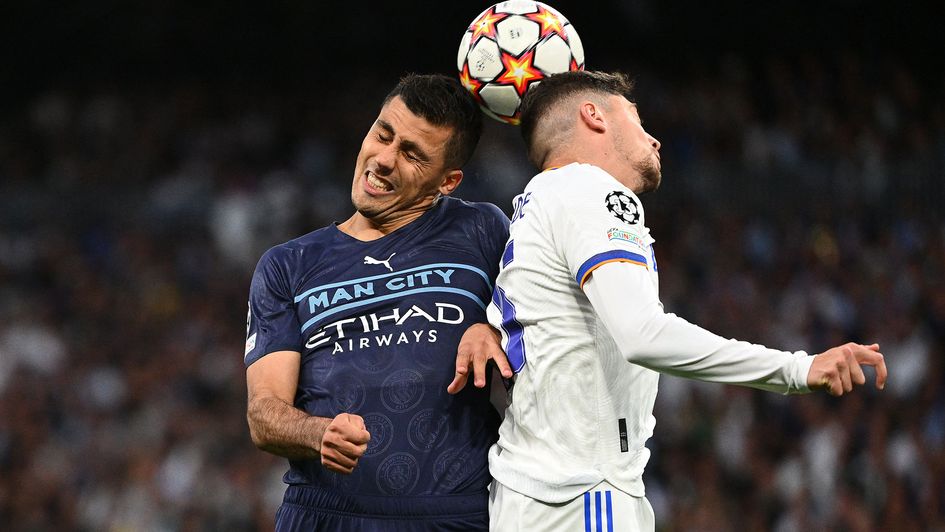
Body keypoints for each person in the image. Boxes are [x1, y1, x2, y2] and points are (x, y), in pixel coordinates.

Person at [479, 70, 888, 531]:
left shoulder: (536, 204)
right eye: (636, 120)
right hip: (579, 496)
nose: (654, 140)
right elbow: (643, 335)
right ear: (593, 116)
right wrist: (795, 369)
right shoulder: (589, 190)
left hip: (534, 495)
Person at [244, 73, 512, 531]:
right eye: (383, 134)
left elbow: (544, 326)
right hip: (325, 515)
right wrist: (318, 432)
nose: (384, 159)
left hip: (455, 516)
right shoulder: (288, 265)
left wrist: (495, 327)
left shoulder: (483, 231)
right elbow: (263, 414)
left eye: (412, 154)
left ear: (448, 181)